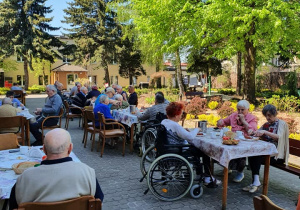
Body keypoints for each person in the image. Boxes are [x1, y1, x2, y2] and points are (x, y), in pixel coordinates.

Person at [9, 128, 104, 209]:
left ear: (44, 149)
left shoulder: (25, 178)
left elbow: (14, 207)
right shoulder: (87, 172)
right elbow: (98, 203)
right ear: (70, 148)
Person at [161, 102, 221, 186]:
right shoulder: (175, 125)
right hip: (180, 149)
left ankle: (200, 174)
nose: (181, 116)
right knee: (205, 152)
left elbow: (177, 133)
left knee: (197, 150)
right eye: (181, 114)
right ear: (176, 115)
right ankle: (207, 177)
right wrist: (197, 129)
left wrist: (184, 131)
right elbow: (190, 137)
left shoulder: (164, 122)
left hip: (168, 148)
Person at [243, 104, 289, 193]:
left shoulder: (281, 124)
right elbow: (258, 132)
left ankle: (255, 182)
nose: (267, 118)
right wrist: (252, 132)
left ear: (274, 113)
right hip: (266, 152)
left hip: (277, 155)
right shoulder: (266, 124)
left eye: (269, 115)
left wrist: (265, 132)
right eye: (266, 115)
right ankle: (255, 182)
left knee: (256, 156)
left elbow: (278, 137)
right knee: (253, 154)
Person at [217, 100, 257, 183]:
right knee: (222, 148)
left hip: (245, 142)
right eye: (238, 109)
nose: (240, 112)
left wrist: (243, 121)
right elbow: (224, 122)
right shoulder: (233, 116)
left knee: (240, 154)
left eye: (242, 110)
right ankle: (228, 168)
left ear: (248, 110)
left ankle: (240, 173)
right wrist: (220, 122)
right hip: (233, 140)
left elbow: (252, 130)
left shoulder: (252, 118)